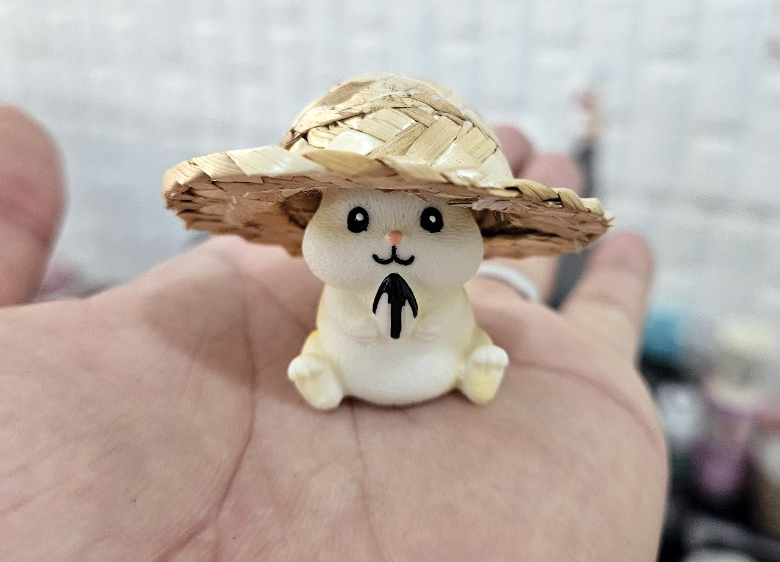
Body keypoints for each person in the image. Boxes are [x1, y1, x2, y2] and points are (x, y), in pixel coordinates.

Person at [0, 106, 667, 561]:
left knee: (461, 335)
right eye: (358, 221)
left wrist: (456, 340)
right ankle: (330, 372)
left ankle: (470, 366)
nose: (395, 237)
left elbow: (449, 309)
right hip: (352, 352)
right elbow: (345, 314)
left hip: (440, 349)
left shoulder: (447, 293)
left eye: (432, 222)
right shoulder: (342, 294)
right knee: (335, 339)